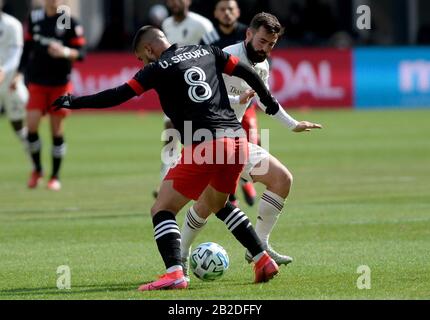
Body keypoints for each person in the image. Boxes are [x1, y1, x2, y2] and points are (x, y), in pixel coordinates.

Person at [52, 26, 319, 291]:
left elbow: (118, 95)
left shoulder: (156, 69)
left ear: (148, 49)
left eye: (140, 58)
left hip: (204, 144)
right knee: (219, 204)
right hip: (237, 141)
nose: (142, 63)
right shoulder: (207, 51)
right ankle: (263, 260)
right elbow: (248, 72)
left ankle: (174, 273)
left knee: (162, 209)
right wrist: (270, 103)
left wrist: (74, 102)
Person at [180, 13, 322, 276]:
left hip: (235, 142)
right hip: (207, 138)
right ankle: (181, 257)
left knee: (282, 180)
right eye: (262, 41)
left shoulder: (263, 65)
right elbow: (202, 100)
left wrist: (293, 124)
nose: (265, 48)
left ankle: (259, 246)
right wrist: (236, 100)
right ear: (248, 35)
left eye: (271, 44)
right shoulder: (223, 57)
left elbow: (265, 100)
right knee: (207, 204)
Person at [18, 0, 86, 191]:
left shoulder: (67, 20)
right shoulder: (34, 17)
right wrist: (18, 72)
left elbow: (82, 53)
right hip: (37, 82)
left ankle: (55, 176)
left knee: (56, 130)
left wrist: (64, 52)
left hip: (59, 84)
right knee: (31, 127)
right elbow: (27, 47)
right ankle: (37, 169)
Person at [155, 0, 216, 197]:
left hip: (197, 89)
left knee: (197, 138)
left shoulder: (202, 25)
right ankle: (166, 179)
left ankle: (212, 183)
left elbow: (216, 53)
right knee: (171, 132)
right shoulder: (165, 24)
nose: (175, 2)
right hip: (173, 88)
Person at [201, 0, 257, 206]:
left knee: (251, 136)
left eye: (231, 9)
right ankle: (231, 195)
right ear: (215, 13)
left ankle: (246, 181)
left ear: (238, 11)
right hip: (220, 100)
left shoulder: (248, 33)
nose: (227, 13)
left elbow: (261, 59)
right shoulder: (208, 38)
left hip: (244, 97)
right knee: (223, 148)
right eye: (222, 9)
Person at [0, 0, 29, 158]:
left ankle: (36, 164)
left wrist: (3, 70)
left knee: (18, 127)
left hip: (10, 83)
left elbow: (16, 55)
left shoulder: (12, 25)